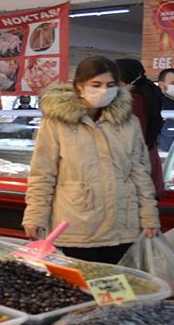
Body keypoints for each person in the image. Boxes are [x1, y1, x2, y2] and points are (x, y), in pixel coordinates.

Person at [23, 56, 159, 264]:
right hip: (77, 226)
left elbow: (139, 173)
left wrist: (149, 216)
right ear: (79, 86)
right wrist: (35, 216)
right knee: (79, 289)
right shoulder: (57, 122)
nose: (104, 90)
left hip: (121, 226)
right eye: (96, 85)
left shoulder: (129, 122)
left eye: (110, 85)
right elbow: (43, 174)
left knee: (116, 290)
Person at [116, 58, 165, 200]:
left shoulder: (133, 100)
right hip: (148, 158)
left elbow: (133, 138)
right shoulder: (148, 92)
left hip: (136, 166)